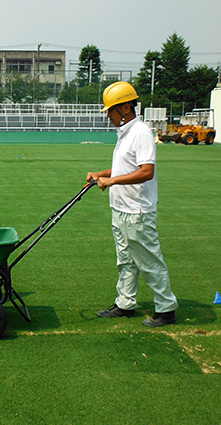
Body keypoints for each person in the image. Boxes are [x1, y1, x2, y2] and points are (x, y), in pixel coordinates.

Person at [87, 82, 178, 327]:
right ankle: (125, 304)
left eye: (111, 110)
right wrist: (101, 173)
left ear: (126, 107)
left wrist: (112, 180)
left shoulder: (141, 133)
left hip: (137, 211)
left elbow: (146, 171)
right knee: (125, 260)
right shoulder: (125, 134)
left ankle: (166, 309)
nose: (108, 116)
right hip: (120, 209)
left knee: (149, 261)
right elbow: (124, 168)